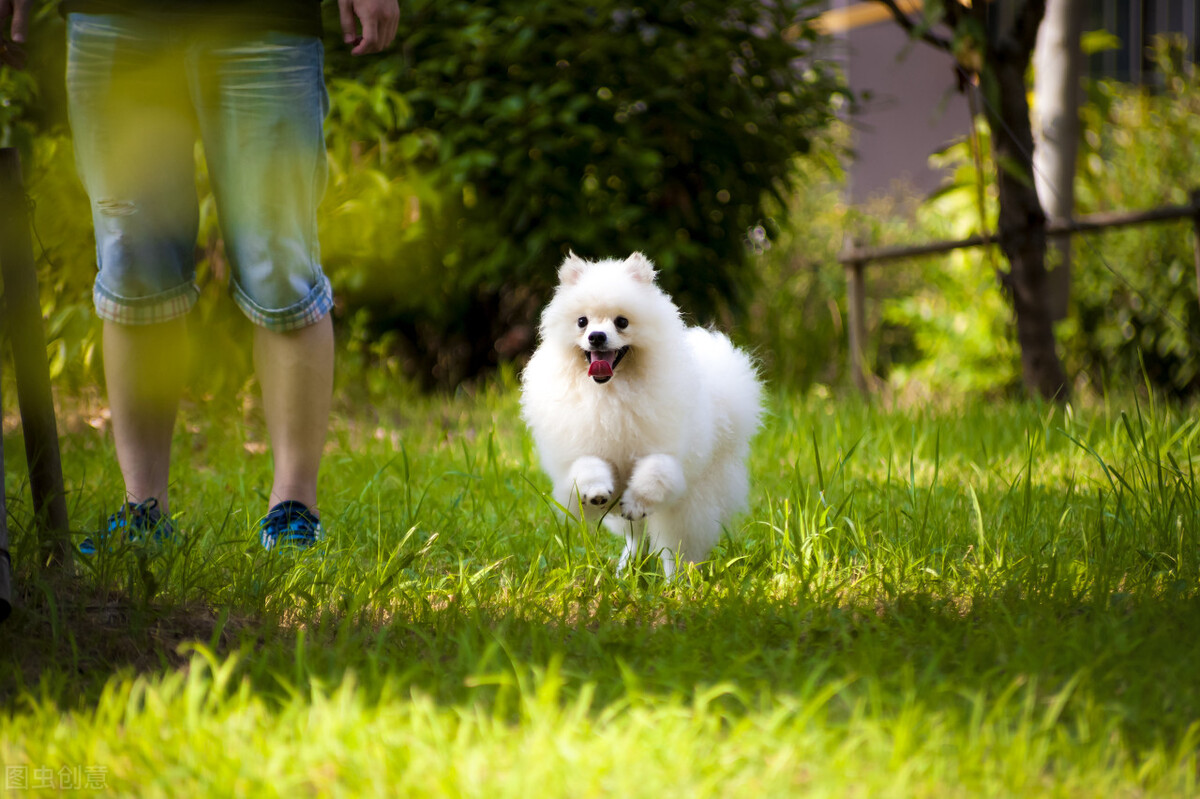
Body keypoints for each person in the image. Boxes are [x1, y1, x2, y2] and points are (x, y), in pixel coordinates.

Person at [0, 0, 400, 551]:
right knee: (131, 265)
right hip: (112, 14)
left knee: (281, 267)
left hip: (263, 21)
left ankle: (293, 511)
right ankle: (144, 513)